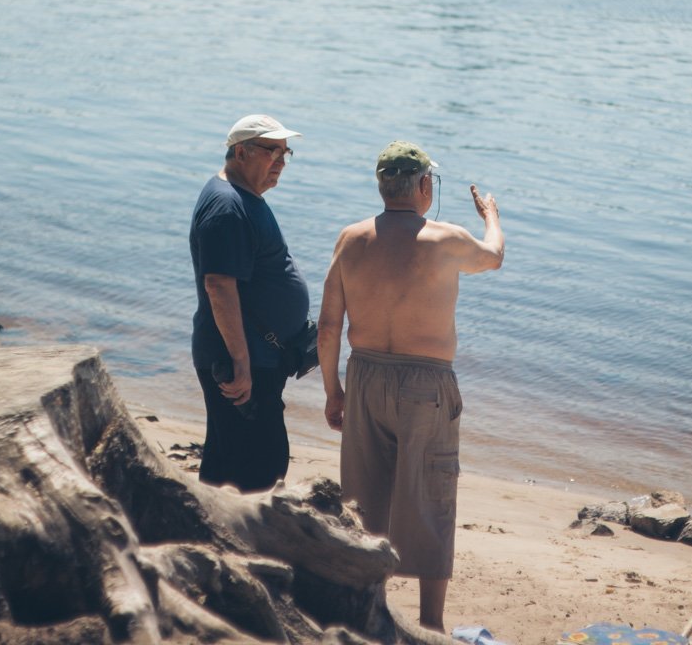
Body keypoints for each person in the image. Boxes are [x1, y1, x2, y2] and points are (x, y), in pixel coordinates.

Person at [318, 141, 505, 632]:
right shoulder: (446, 238)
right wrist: (491, 215)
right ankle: (430, 625)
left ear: (383, 186)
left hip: (364, 375)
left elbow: (328, 326)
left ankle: (366, 609)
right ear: (424, 186)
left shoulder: (349, 239)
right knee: (431, 496)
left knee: (363, 498)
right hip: (426, 381)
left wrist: (332, 390)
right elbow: (493, 257)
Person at [189, 114, 310, 493]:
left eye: (285, 153)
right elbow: (219, 286)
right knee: (260, 467)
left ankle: (212, 538)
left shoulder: (240, 198)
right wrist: (241, 363)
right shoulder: (228, 206)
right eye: (271, 152)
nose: (281, 163)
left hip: (256, 357)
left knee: (230, 460)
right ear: (241, 152)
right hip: (242, 359)